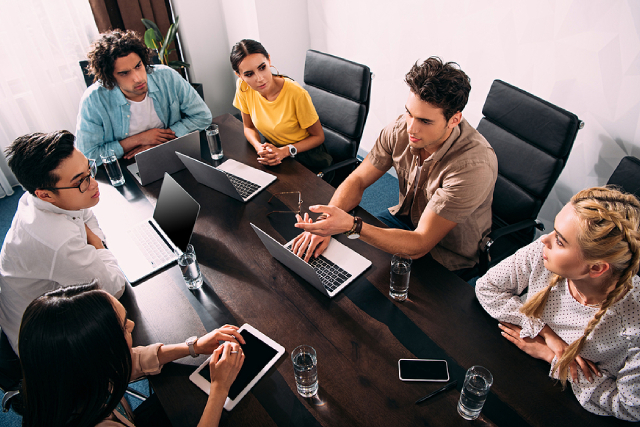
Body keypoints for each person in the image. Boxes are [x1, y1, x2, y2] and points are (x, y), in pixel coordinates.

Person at [293, 57, 497, 279]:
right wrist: (325, 224)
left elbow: (420, 243)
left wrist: (352, 225)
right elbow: (358, 180)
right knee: (334, 265)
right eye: (409, 112)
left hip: (445, 253)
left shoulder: (473, 166)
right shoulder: (401, 129)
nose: (411, 127)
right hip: (403, 218)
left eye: (425, 121)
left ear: (454, 120)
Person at [476, 186, 640, 421]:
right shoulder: (545, 252)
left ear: (596, 268)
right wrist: (547, 333)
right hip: (510, 365)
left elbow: (629, 407)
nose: (544, 239)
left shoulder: (633, 326)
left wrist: (553, 358)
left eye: (561, 241)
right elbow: (487, 287)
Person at [18, 283, 245, 426]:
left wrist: (193, 347)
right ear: (99, 353)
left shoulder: (65, 375)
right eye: (124, 328)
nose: (133, 325)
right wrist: (219, 389)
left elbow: (128, 360)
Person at [0, 131, 125, 354]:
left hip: (43, 305)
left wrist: (93, 246)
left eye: (89, 170)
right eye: (82, 181)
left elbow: (86, 215)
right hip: (44, 342)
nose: (94, 183)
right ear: (45, 194)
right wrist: (97, 245)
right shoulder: (58, 241)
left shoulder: (38, 196)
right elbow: (114, 288)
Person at [76, 29, 212, 164]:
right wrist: (140, 139)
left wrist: (159, 143)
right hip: (126, 164)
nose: (137, 78)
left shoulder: (166, 76)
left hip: (172, 151)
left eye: (138, 66)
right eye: (124, 73)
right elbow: (88, 156)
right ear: (110, 77)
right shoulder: (93, 100)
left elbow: (202, 116)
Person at [230, 39, 333, 175]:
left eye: (262, 67)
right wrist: (259, 147)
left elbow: (318, 137)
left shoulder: (296, 93)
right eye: (249, 74)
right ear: (239, 75)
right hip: (275, 152)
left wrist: (285, 151)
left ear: (269, 60)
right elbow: (248, 127)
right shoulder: (243, 87)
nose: (260, 78)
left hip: (306, 157)